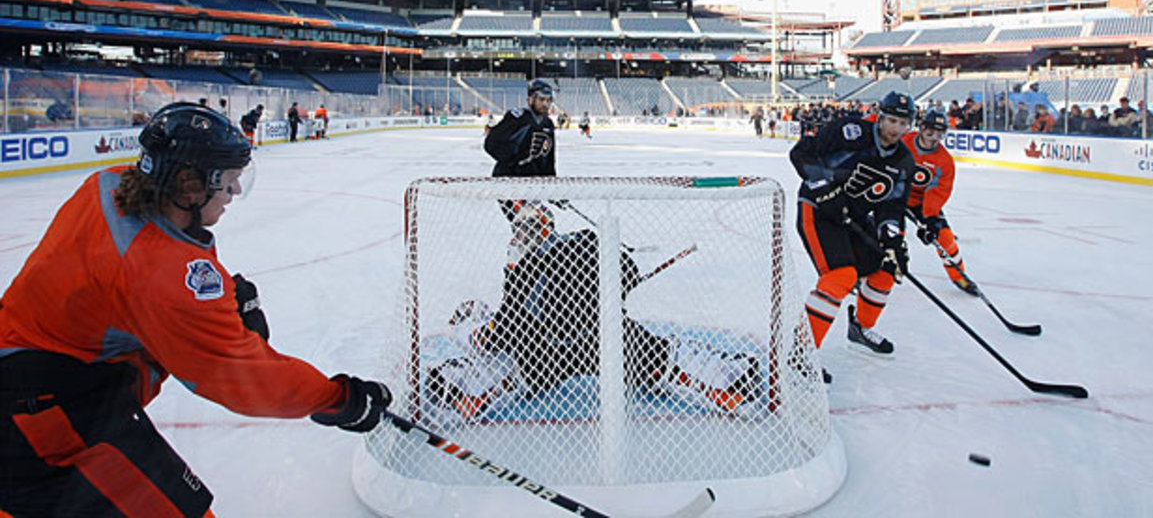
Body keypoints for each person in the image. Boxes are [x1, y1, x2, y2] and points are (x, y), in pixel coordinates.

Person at [0, 102, 390, 518]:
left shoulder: (106, 186)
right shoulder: (157, 273)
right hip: (44, 415)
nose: (235, 192)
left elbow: (160, 276)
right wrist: (340, 398)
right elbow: (243, 380)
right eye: (228, 182)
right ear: (190, 187)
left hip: (40, 380)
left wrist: (222, 308)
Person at [424, 203, 759, 424]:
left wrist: (468, 331)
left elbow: (504, 333)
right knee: (667, 353)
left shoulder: (520, 267)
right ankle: (726, 383)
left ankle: (464, 392)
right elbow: (626, 272)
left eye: (523, 231)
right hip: (605, 339)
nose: (519, 237)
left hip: (551, 353)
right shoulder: (584, 240)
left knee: (511, 363)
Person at [789, 91, 916, 382]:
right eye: (892, 120)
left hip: (853, 217)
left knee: (886, 267)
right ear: (881, 116)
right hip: (819, 211)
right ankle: (799, 354)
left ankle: (860, 327)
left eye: (903, 123)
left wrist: (893, 239)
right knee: (840, 277)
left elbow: (892, 206)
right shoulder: (851, 131)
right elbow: (801, 153)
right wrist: (823, 186)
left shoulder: (904, 161)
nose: (896, 129)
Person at [901, 109, 979, 295]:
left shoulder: (944, 161)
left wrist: (929, 218)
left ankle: (959, 275)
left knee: (945, 238)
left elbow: (938, 191)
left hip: (921, 202)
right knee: (889, 235)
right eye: (930, 132)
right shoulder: (904, 142)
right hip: (895, 195)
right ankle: (869, 273)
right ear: (921, 128)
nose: (934, 137)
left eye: (939, 133)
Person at [484, 79, 557, 178]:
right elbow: (491, 143)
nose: (545, 104)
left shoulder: (548, 124)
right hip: (510, 181)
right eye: (541, 99)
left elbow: (549, 158)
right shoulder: (517, 118)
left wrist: (550, 179)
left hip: (536, 183)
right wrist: (514, 161)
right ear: (530, 99)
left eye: (548, 100)